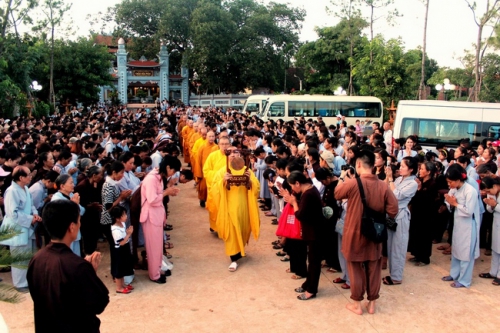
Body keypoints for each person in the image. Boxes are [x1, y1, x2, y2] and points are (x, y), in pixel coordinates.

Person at [27, 200, 109, 333]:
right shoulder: (77, 266)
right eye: (78, 220)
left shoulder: (37, 259)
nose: (80, 224)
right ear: (72, 227)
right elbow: (99, 303)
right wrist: (90, 273)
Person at [334, 150, 398, 315]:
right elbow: (393, 210)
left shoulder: (353, 183)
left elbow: (337, 193)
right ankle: (372, 304)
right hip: (375, 234)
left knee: (355, 268)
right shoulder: (383, 186)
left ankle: (357, 304)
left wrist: (343, 178)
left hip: (354, 234)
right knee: (374, 268)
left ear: (359, 164)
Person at [213, 153, 260, 272]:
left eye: (236, 153)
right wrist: (223, 181)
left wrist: (250, 181)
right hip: (229, 206)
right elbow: (214, 190)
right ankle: (234, 258)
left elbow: (256, 188)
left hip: (244, 205)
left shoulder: (247, 170)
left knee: (243, 229)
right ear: (227, 156)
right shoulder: (222, 171)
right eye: (231, 154)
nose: (234, 156)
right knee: (232, 231)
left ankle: (240, 250)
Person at [282, 171, 324, 300]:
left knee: (314, 262)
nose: (293, 189)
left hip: (315, 233)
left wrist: (294, 202)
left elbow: (300, 215)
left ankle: (311, 289)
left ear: (298, 183)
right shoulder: (309, 191)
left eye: (292, 186)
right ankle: (308, 284)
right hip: (312, 231)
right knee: (311, 260)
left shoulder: (308, 194)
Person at [0, 166, 41, 292]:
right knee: (19, 256)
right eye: (28, 175)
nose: (30, 177)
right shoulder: (11, 191)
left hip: (27, 226)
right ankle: (19, 284)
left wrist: (35, 214)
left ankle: (27, 280)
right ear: (21, 178)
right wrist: (30, 219)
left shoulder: (26, 189)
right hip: (17, 227)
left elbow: (32, 205)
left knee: (27, 255)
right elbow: (13, 213)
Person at [141, 155, 181, 283]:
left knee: (158, 246)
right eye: (173, 171)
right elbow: (152, 199)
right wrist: (166, 192)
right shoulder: (152, 179)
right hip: (151, 216)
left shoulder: (158, 177)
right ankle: (154, 275)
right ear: (168, 167)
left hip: (156, 215)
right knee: (153, 248)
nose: (172, 174)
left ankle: (158, 268)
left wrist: (168, 191)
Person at [442, 164, 480, 288]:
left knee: (466, 253)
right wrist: (449, 202)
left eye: (450, 182)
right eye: (447, 182)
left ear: (458, 179)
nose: (449, 185)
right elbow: (450, 205)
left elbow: (469, 211)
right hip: (458, 223)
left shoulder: (470, 190)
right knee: (456, 249)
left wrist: (455, 204)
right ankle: (454, 274)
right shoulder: (454, 189)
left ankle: (464, 280)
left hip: (469, 225)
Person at [383, 156, 418, 285]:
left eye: (403, 166)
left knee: (399, 246)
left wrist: (391, 179)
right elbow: (386, 190)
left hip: (401, 216)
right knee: (391, 246)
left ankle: (396, 277)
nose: (400, 168)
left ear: (411, 169)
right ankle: (393, 274)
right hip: (391, 215)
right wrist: (388, 177)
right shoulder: (398, 179)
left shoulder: (412, 183)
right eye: (400, 166)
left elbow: (396, 195)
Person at [408, 161, 438, 266]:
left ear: (428, 172)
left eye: (422, 169)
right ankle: (417, 254)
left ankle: (424, 258)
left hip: (426, 214)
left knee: (424, 235)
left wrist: (420, 190)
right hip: (416, 212)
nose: (420, 171)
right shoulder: (419, 181)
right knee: (416, 233)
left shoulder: (433, 184)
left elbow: (427, 200)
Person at [203, 136, 231, 231]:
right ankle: (215, 227)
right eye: (222, 144)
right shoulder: (212, 156)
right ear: (218, 145)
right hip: (216, 187)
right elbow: (206, 171)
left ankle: (226, 227)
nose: (224, 146)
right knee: (215, 208)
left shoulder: (233, 156)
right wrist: (219, 176)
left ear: (230, 145)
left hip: (229, 188)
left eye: (226, 144)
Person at [479, 176, 500, 285]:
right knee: (495, 249)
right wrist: (490, 205)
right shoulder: (493, 193)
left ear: (495, 186)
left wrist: (495, 205)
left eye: (489, 190)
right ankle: (493, 272)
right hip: (496, 224)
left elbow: (496, 206)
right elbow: (489, 210)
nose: (488, 193)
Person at [109, 205, 134, 294]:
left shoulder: (122, 224)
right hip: (119, 251)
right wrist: (128, 234)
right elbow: (121, 242)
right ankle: (119, 287)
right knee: (119, 269)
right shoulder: (115, 229)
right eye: (123, 215)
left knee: (123, 268)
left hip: (124, 249)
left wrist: (127, 233)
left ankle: (123, 285)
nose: (126, 216)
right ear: (117, 218)